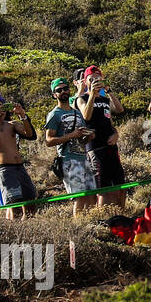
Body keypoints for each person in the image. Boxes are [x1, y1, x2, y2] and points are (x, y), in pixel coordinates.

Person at [0, 92, 38, 219]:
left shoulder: (12, 124)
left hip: (20, 168)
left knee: (31, 204)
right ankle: (13, 235)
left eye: (2, 106)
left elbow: (29, 134)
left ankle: (30, 232)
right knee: (14, 207)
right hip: (6, 170)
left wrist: (23, 115)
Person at [44, 77, 96, 216]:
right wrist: (71, 135)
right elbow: (49, 140)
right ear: (54, 95)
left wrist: (88, 136)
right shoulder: (54, 115)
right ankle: (79, 225)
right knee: (79, 197)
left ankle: (92, 222)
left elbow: (81, 137)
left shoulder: (77, 112)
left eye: (65, 88)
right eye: (59, 90)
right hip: (68, 160)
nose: (63, 92)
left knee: (92, 195)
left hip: (83, 157)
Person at [76, 65, 127, 209]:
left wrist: (109, 91)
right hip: (95, 148)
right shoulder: (81, 98)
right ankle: (105, 217)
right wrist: (92, 94)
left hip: (111, 146)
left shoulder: (105, 100)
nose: (95, 82)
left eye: (98, 79)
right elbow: (86, 115)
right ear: (85, 82)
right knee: (103, 188)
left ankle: (121, 215)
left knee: (120, 184)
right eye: (91, 79)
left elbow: (119, 109)